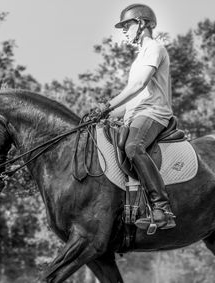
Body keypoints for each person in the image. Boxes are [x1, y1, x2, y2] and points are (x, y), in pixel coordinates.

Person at [98, 4, 176, 230]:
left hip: (154, 113)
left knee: (133, 147)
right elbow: (135, 97)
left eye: (126, 25)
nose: (123, 30)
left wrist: (106, 105)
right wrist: (104, 115)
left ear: (141, 23)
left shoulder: (154, 48)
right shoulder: (140, 56)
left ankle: (162, 208)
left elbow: (138, 85)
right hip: (137, 113)